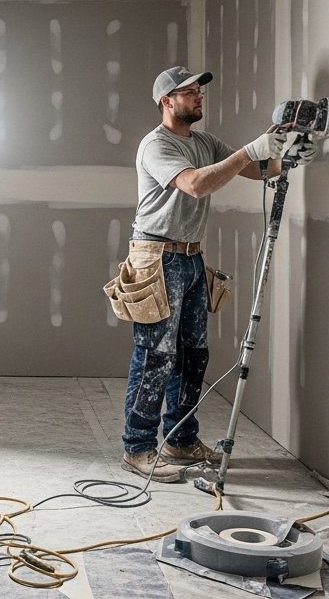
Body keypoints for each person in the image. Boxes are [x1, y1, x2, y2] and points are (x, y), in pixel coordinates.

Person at [120, 65, 312, 482]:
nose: (199, 98)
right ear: (167, 101)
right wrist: (251, 149)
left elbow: (255, 169)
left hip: (190, 258)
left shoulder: (205, 142)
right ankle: (137, 447)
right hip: (155, 257)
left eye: (200, 92)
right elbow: (194, 185)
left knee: (193, 356)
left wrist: (288, 156)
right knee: (156, 355)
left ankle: (181, 440)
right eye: (189, 93)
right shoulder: (155, 145)